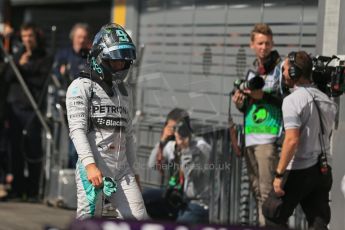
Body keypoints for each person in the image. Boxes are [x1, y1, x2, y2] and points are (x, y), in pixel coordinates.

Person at [65, 23, 148, 220]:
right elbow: (77, 131)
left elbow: (128, 135)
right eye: (115, 61)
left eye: (123, 62)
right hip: (93, 168)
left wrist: (135, 171)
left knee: (139, 220)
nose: (120, 66)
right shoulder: (80, 87)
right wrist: (90, 165)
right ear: (100, 58)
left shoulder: (124, 91)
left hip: (122, 170)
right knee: (90, 222)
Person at [265, 51, 337, 229]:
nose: (282, 74)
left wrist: (279, 174)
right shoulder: (328, 102)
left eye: (284, 70)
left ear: (293, 73)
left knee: (272, 213)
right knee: (318, 220)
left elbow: (291, 141)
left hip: (300, 169)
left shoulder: (292, 100)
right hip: (324, 171)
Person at [232, 23, 285, 226]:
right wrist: (240, 103)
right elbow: (249, 107)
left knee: (266, 191)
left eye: (268, 43)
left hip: (269, 138)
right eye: (260, 43)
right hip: (250, 137)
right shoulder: (252, 73)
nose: (264, 47)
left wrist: (262, 95)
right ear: (252, 44)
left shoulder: (280, 69)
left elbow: (286, 100)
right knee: (256, 191)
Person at [5, 22, 52, 201]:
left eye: (30, 36)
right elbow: (8, 76)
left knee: (33, 149)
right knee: (15, 150)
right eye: (24, 37)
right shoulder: (18, 55)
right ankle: (17, 187)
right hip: (16, 107)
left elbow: (41, 80)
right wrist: (18, 63)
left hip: (33, 109)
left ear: (36, 37)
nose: (27, 40)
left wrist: (26, 67)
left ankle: (33, 189)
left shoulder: (44, 57)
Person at [145, 108, 211, 224]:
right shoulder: (171, 146)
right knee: (145, 198)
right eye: (173, 128)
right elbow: (152, 165)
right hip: (175, 198)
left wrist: (186, 149)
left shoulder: (201, 147)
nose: (176, 132)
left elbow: (193, 174)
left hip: (196, 203)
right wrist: (162, 141)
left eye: (181, 128)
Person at [52, 23, 92, 169]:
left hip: (84, 105)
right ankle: (66, 168)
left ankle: (76, 169)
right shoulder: (64, 54)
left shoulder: (90, 56)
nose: (81, 40)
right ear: (73, 38)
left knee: (79, 142)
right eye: (79, 36)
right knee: (64, 139)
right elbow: (55, 74)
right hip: (64, 104)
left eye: (84, 37)